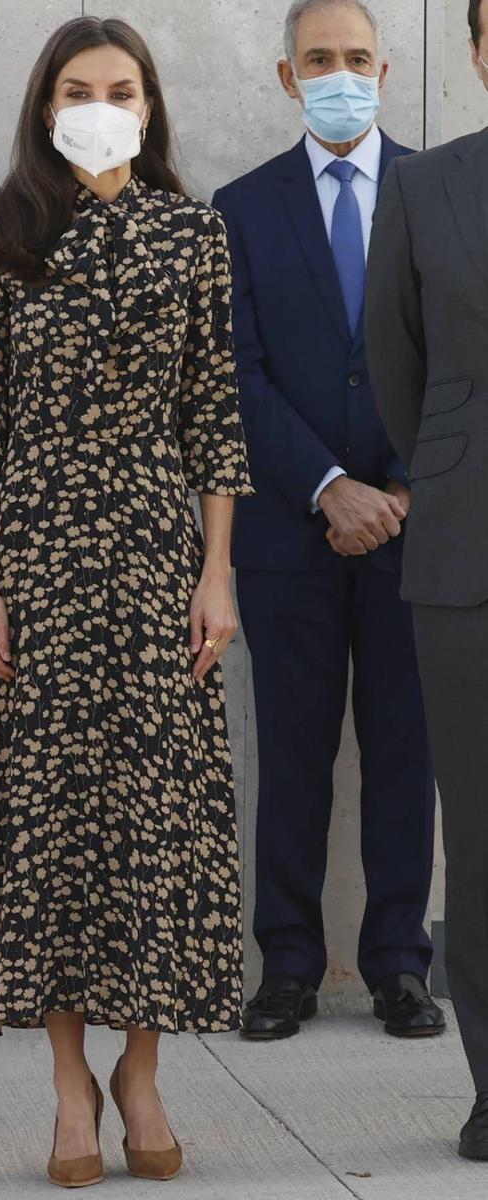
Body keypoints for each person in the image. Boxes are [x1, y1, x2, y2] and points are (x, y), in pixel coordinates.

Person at [0, 15, 252, 1187]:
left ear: (152, 104)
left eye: (121, 87)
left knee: (158, 821)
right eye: (78, 87)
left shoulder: (194, 235)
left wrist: (216, 574)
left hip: (159, 553)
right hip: (36, 557)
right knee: (54, 822)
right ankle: (71, 1084)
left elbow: (216, 416)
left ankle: (144, 1068)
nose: (101, 103)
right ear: (45, 103)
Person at [213, 0, 443, 1042]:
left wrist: (395, 487)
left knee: (405, 749)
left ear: (385, 69)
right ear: (285, 76)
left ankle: (399, 960)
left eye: (356, 58)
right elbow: (235, 371)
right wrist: (326, 485)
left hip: (415, 528)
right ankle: (289, 966)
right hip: (286, 532)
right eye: (320, 60)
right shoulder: (241, 206)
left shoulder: (436, 194)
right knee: (293, 754)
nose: (339, 74)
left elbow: (456, 357)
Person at [366, 0, 488, 1161]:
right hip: (467, 556)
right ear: (478, 47)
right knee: (485, 835)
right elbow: (395, 367)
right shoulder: (427, 185)